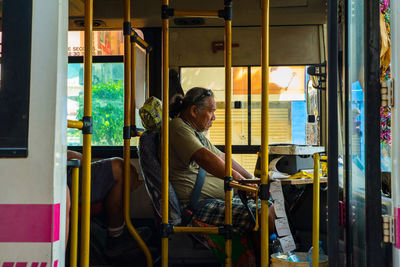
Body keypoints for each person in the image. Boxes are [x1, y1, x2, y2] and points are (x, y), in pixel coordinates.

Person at [168, 87, 276, 238]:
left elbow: (222, 157)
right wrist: (238, 180)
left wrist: (249, 179)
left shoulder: (196, 134)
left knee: (272, 207)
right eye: (211, 111)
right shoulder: (178, 127)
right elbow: (204, 157)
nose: (214, 118)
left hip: (218, 199)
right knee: (265, 215)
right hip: (198, 205)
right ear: (194, 111)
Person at [66, 151, 150, 257]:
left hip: (64, 173)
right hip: (61, 178)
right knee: (120, 168)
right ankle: (116, 237)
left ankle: (116, 234)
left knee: (123, 169)